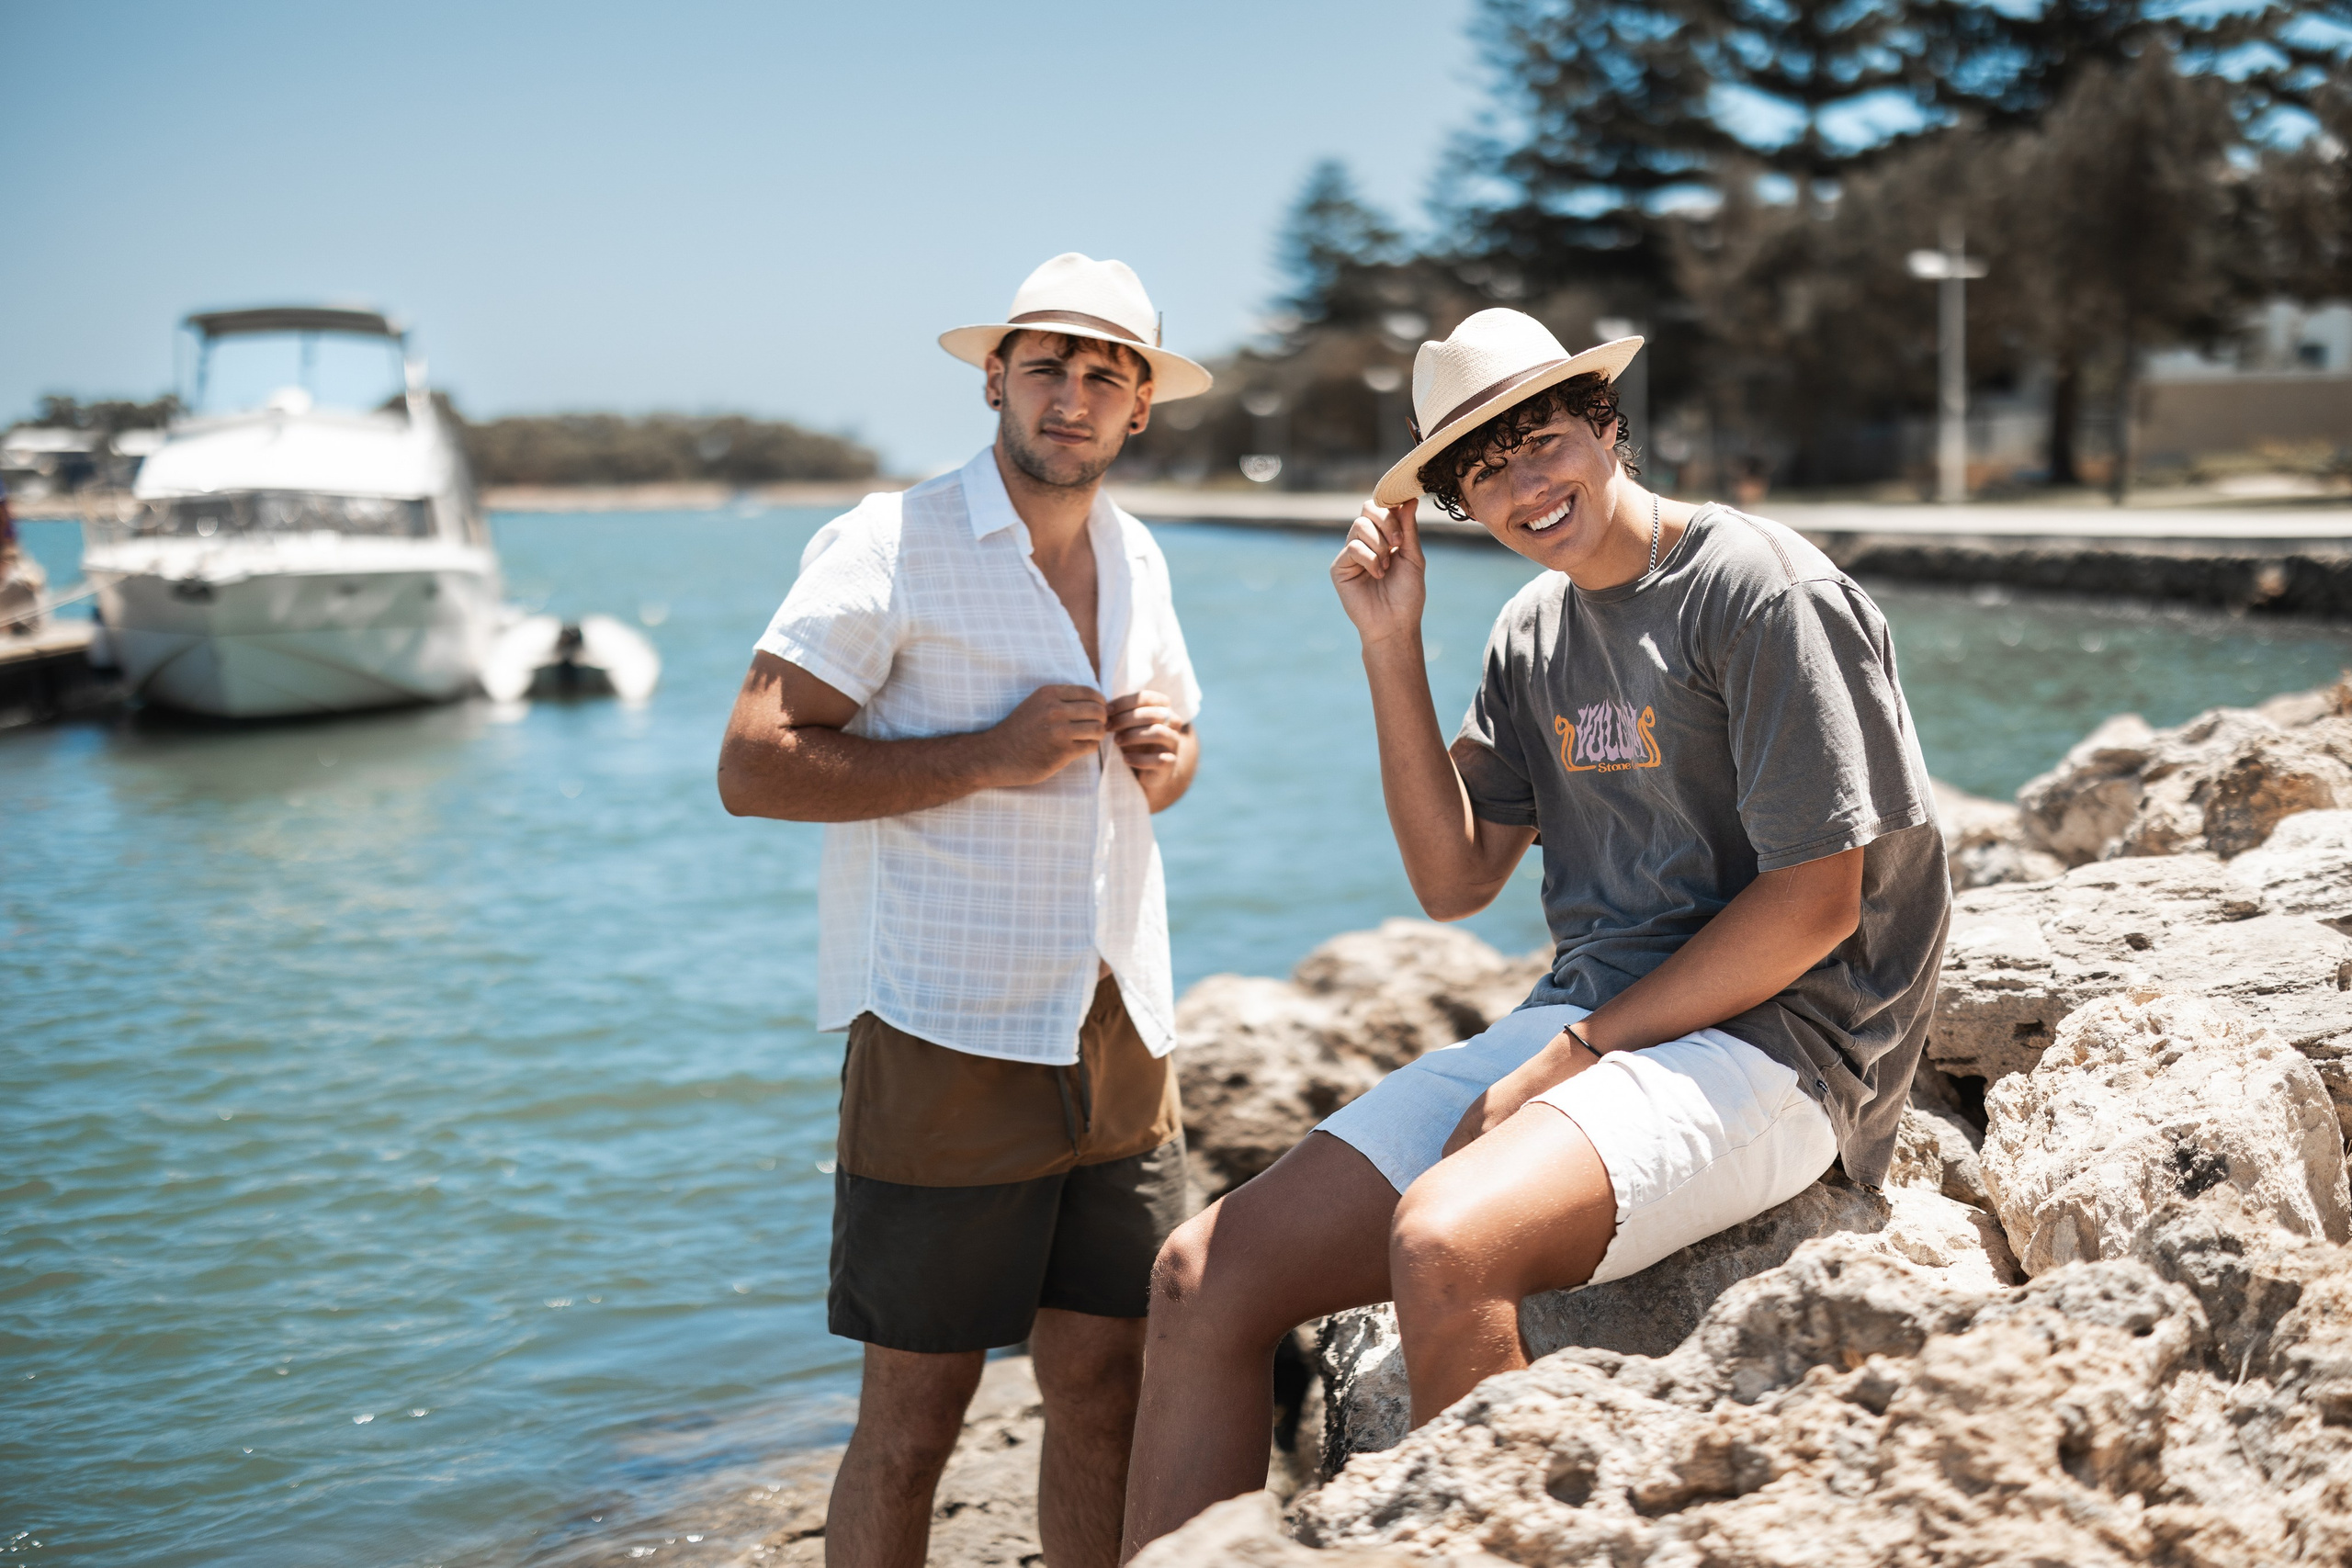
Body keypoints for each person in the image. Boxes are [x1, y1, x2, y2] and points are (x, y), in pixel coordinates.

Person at [1121, 309, 1951, 1555]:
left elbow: (1818, 903)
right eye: (1484, 469)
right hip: (1596, 1017)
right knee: (1199, 1275)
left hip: (1789, 1041)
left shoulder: (1758, 586)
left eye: (1543, 441)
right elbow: (1453, 879)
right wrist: (1389, 647)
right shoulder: (1532, 632)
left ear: (1608, 426)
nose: (1525, 485)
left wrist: (1573, 1058)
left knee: (1451, 1240)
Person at [718, 253, 1212, 1568]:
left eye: (1108, 374)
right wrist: (986, 755)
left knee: (1107, 1387)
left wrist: (1168, 757)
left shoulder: (1140, 552)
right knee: (916, 1423)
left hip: (1120, 1030)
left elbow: (1174, 747)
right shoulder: (890, 542)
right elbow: (752, 763)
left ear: (1141, 409)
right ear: (994, 377)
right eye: (1048, 363)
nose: (1074, 395)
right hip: (947, 1034)